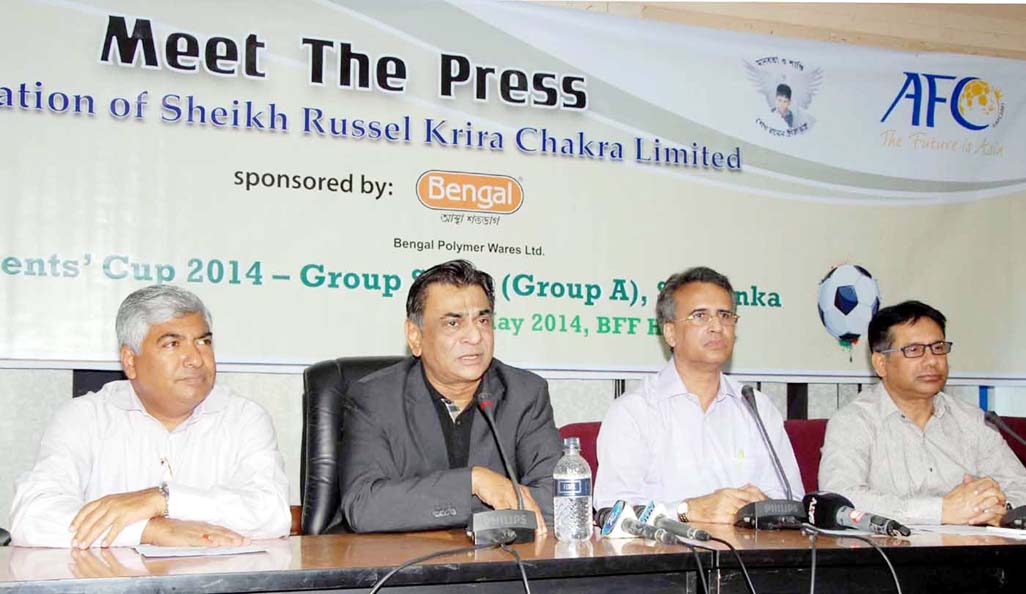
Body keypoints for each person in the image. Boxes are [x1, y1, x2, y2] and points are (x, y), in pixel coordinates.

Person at [10, 285, 290, 548]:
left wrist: (163, 500)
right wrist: (149, 530)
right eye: (172, 344)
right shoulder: (85, 418)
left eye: (203, 341)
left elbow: (272, 513)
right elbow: (32, 517)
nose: (196, 359)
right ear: (130, 361)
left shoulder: (244, 418)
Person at [336, 259, 562, 533]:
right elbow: (364, 506)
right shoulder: (376, 398)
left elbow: (556, 499)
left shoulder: (525, 394)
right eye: (453, 323)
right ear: (415, 336)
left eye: (483, 320)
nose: (475, 336)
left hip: (499, 557)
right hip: (408, 558)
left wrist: (435, 506)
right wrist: (473, 483)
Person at [594, 266, 803, 523]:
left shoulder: (755, 406)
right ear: (670, 332)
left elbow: (792, 499)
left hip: (750, 547)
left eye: (725, 315)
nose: (717, 327)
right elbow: (611, 512)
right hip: (666, 548)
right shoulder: (634, 411)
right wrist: (687, 511)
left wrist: (762, 508)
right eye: (700, 316)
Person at [820, 300, 1026, 525]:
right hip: (893, 546)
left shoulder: (973, 420)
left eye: (938, 348)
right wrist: (941, 511)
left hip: (977, 545)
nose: (931, 361)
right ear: (881, 363)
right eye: (914, 350)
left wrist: (998, 509)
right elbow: (840, 498)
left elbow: (1020, 485)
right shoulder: (853, 422)